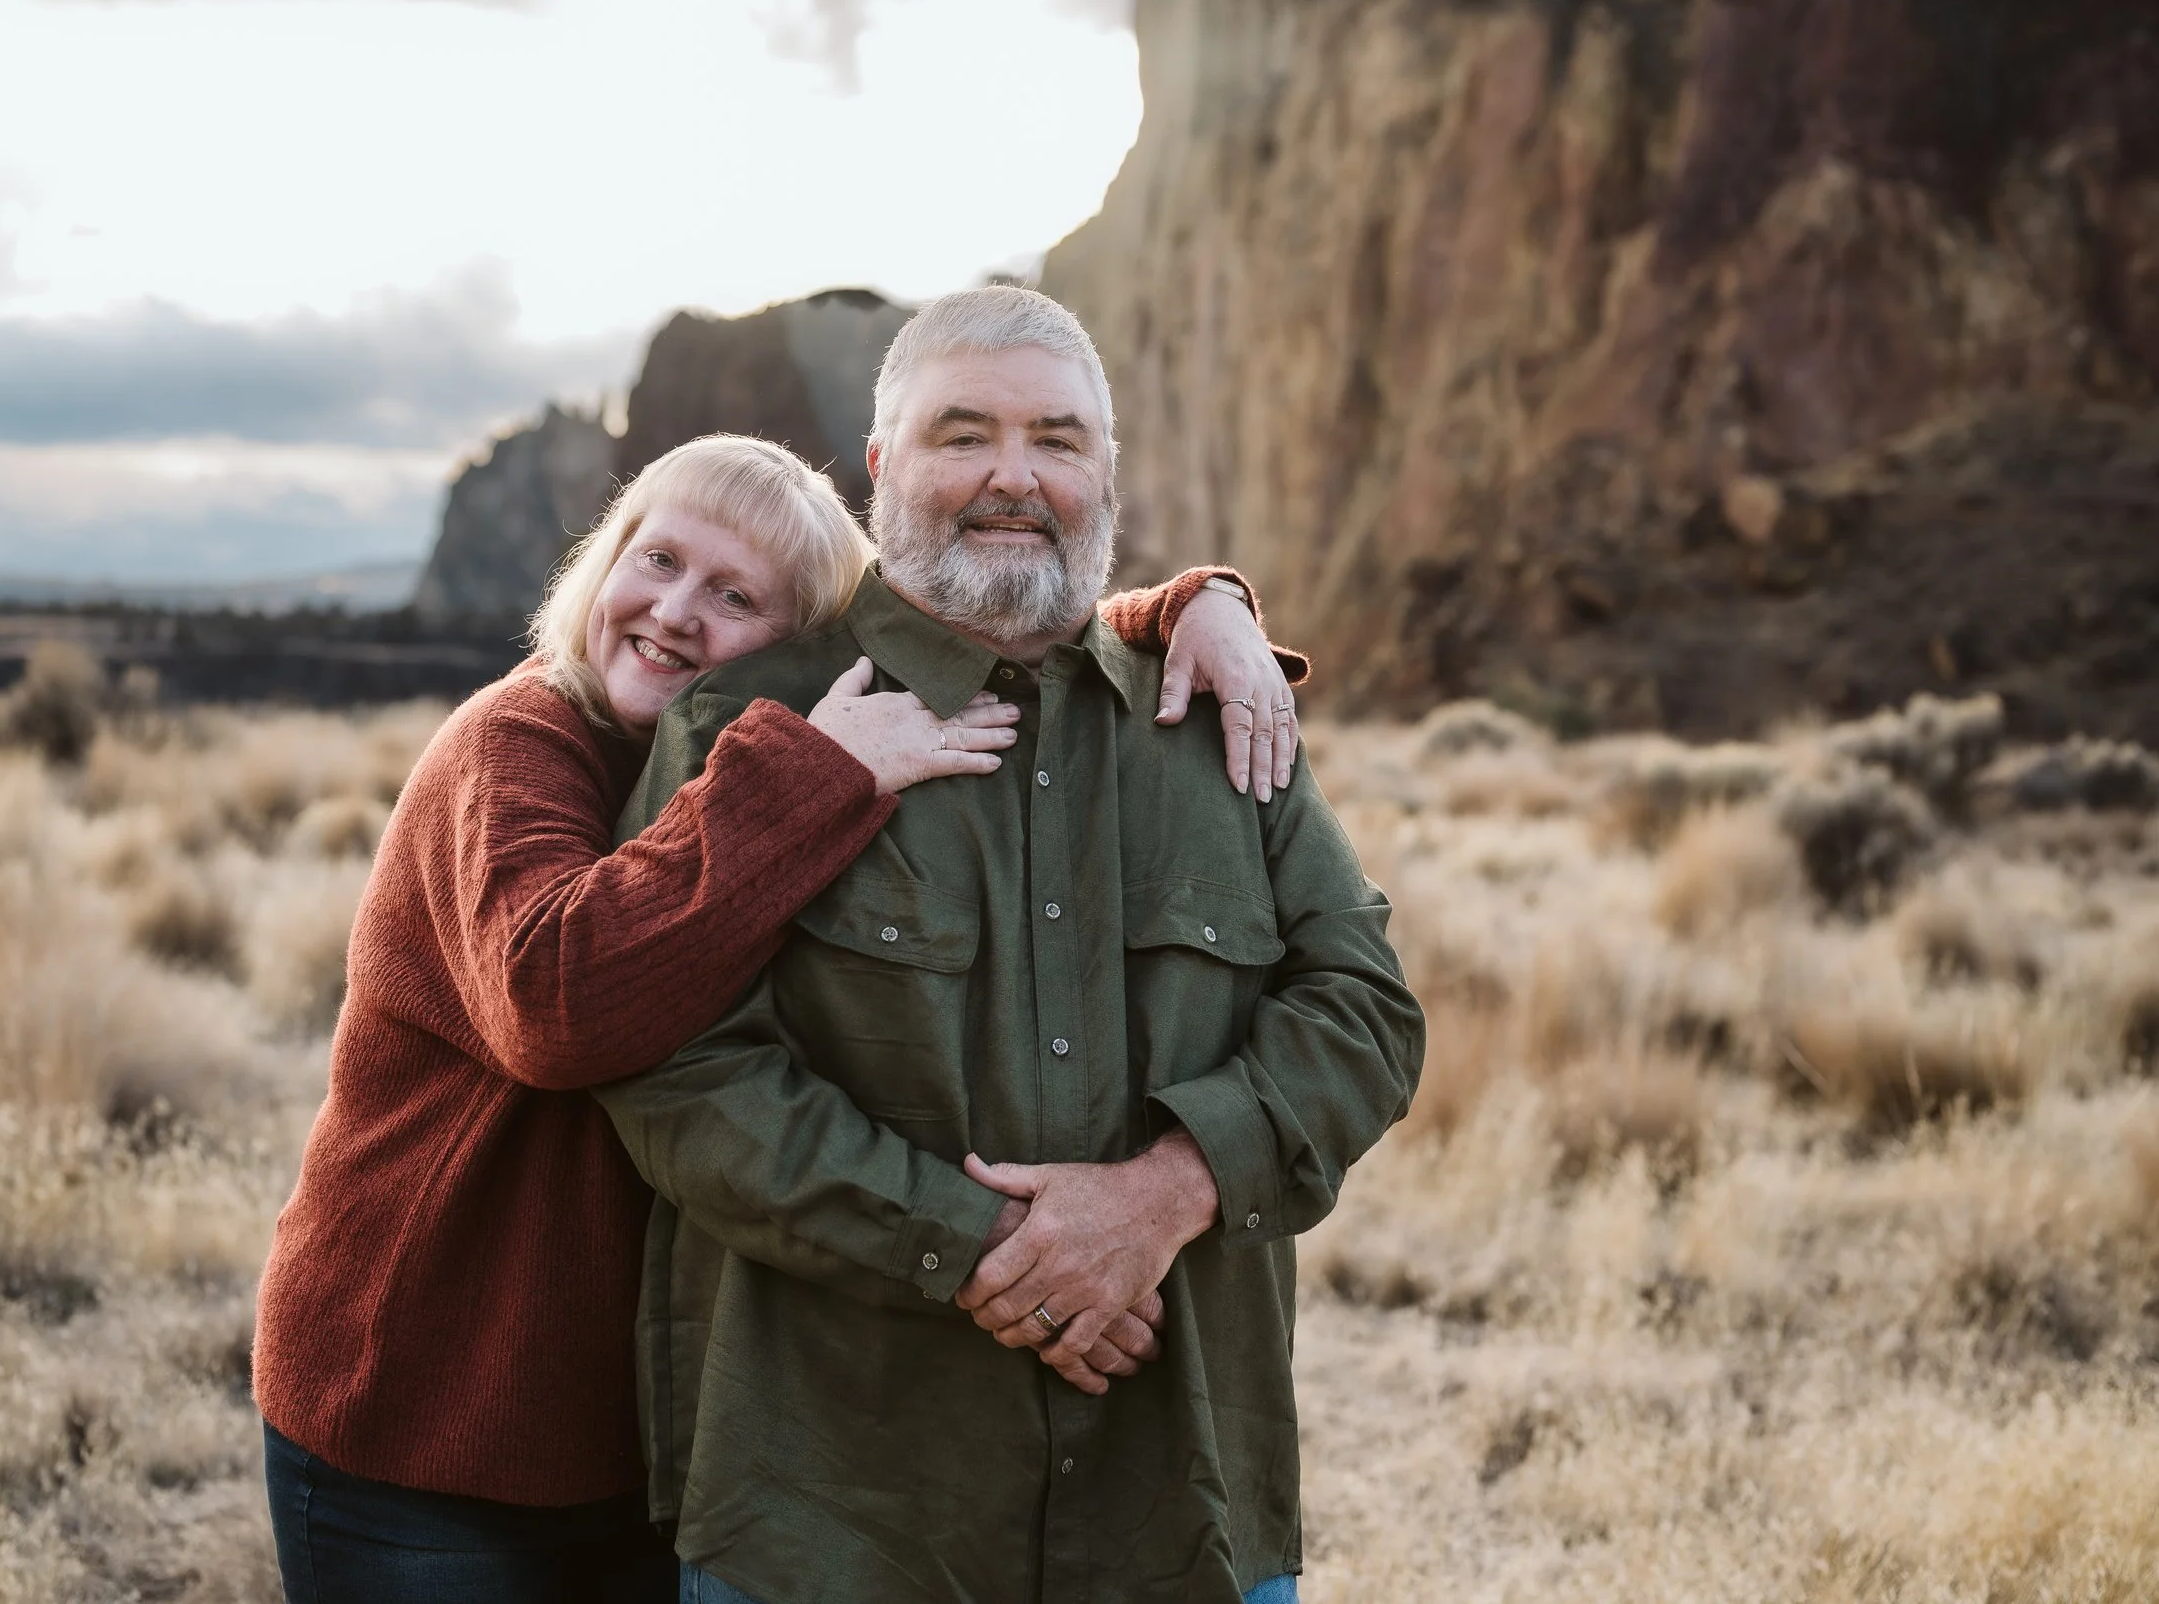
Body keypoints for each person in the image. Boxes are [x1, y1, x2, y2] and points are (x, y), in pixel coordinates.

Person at [253, 428, 1308, 1604]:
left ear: (805, 644)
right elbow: (553, 1007)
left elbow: (1002, 621)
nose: (675, 612)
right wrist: (817, 772)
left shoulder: (699, 751)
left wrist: (1191, 605)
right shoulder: (519, 745)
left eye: (736, 595)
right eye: (655, 561)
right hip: (426, 1420)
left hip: (633, 1428)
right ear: (601, 564)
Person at [595, 289, 1427, 1604]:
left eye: (1057, 437)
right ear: (881, 466)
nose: (1012, 476)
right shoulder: (749, 723)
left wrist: (1170, 1187)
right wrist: (982, 1243)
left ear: (1108, 470)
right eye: (962, 434)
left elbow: (1367, 1013)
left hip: (1182, 1511)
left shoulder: (1223, 714)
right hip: (829, 1519)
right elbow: (680, 1069)